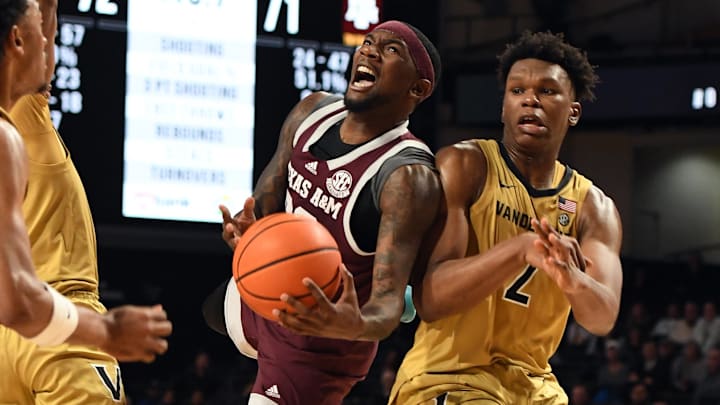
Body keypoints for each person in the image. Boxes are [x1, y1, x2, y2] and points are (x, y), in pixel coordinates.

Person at [202, 20, 442, 405]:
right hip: (269, 292)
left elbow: (385, 305)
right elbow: (264, 199)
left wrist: (356, 323)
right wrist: (249, 233)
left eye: (392, 49)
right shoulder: (311, 111)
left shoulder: (406, 177)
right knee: (210, 311)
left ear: (418, 88)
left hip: (319, 342)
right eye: (368, 42)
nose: (369, 51)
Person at [390, 31, 624, 404]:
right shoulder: (465, 165)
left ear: (573, 111)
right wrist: (520, 249)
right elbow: (431, 299)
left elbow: (602, 318)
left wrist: (575, 280)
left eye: (547, 91)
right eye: (517, 91)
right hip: (449, 376)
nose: (530, 99)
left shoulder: (593, 207)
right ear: (503, 107)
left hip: (534, 386)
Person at [0, 1, 172, 403]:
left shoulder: (19, 117)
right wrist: (107, 331)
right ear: (16, 40)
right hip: (54, 322)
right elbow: (18, 299)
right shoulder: (15, 129)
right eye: (40, 34)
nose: (48, 43)